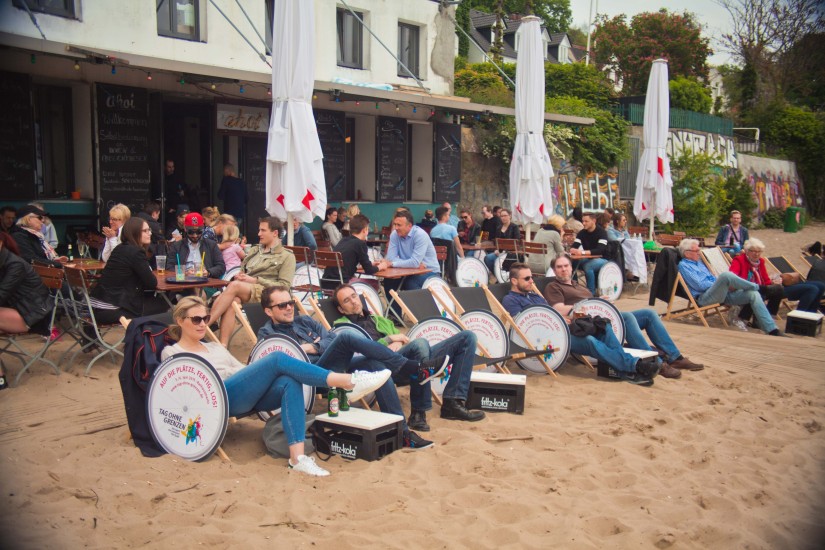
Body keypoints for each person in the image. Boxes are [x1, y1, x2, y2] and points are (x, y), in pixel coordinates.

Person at [161, 296, 392, 476]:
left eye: (205, 318)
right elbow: (179, 394)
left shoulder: (214, 347)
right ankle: (347, 382)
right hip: (217, 399)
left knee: (288, 381)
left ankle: (297, 458)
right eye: (196, 320)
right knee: (277, 359)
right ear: (180, 321)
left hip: (242, 391)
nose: (203, 324)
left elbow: (242, 370)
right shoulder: (173, 353)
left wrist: (260, 376)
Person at [256, 285, 451, 449]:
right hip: (313, 375)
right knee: (347, 337)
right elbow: (282, 362)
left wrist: (312, 347)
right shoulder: (268, 336)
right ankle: (412, 368)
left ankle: (402, 432)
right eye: (282, 305)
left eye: (290, 303)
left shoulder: (304, 320)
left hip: (335, 364)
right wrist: (308, 348)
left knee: (377, 367)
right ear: (268, 311)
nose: (289, 308)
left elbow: (330, 339)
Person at [333, 284, 485, 426]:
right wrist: (389, 340)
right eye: (346, 300)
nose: (353, 301)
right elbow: (361, 354)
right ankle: (419, 412)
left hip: (406, 361)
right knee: (420, 344)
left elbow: (403, 339)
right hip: (381, 368)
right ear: (341, 309)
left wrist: (398, 341)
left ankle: (453, 402)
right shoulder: (344, 328)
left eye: (354, 296)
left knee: (467, 337)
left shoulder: (377, 319)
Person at [543, 255, 703, 379]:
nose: (563, 269)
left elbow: (594, 303)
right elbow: (558, 308)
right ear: (554, 271)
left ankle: (675, 357)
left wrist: (601, 301)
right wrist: (584, 305)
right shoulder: (554, 287)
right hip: (588, 323)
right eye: (559, 267)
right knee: (627, 317)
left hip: (602, 317)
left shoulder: (579, 286)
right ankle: (656, 363)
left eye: (566, 266)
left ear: (571, 267)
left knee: (649, 314)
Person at [502, 262, 660, 385]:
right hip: (549, 338)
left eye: (532, 277)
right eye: (527, 278)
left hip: (563, 327)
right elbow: (521, 326)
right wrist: (558, 322)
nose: (532, 281)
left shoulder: (534, 295)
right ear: (514, 281)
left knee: (603, 326)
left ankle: (624, 369)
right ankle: (634, 366)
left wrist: (565, 318)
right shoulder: (510, 300)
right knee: (590, 341)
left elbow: (550, 313)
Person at [209, 217, 296, 347]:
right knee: (233, 301)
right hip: (248, 290)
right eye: (259, 230)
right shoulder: (255, 250)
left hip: (269, 293)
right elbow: (244, 268)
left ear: (275, 233)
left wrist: (255, 280)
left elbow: (285, 286)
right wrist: (241, 275)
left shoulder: (287, 255)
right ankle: (223, 345)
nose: (259, 234)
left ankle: (206, 323)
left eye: (263, 230)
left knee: (234, 286)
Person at [678, 238, 786, 336]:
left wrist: (719, 284)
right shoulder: (684, 266)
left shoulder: (700, 263)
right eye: (696, 250)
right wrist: (719, 283)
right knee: (726, 276)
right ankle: (760, 287)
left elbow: (712, 279)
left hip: (721, 294)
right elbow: (699, 285)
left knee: (753, 294)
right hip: (705, 297)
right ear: (687, 253)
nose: (699, 252)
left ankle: (772, 329)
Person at [89, 217, 168, 324]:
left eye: (149, 230)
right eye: (145, 231)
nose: (150, 233)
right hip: (113, 309)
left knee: (154, 303)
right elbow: (151, 283)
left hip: (95, 307)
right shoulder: (136, 252)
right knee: (164, 306)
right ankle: (141, 334)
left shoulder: (120, 248)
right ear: (134, 233)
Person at [0, 235, 54, 389]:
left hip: (34, 315)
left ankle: (0, 378)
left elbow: (2, 295)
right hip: (18, 310)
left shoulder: (14, 264)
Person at [729, 238, 825, 323]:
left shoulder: (760, 262)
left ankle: (810, 318)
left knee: (820, 286)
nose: (756, 254)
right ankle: (797, 320)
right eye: (753, 251)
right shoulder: (739, 261)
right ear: (746, 251)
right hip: (751, 289)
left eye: (759, 251)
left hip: (767, 288)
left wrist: (773, 281)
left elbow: (766, 280)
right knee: (811, 289)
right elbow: (732, 279)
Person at [383, 210, 440, 319]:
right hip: (408, 272)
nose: (396, 228)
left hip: (430, 272)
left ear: (409, 226)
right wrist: (409, 264)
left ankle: (423, 317)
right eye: (395, 224)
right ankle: (395, 317)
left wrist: (396, 263)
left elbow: (413, 262)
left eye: (399, 225)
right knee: (389, 280)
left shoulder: (420, 235)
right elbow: (391, 258)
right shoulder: (395, 234)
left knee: (411, 282)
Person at [323, 214, 388, 289]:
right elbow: (369, 270)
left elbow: (345, 265)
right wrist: (381, 266)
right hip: (342, 285)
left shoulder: (344, 240)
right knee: (374, 283)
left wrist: (367, 265)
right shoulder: (360, 244)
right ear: (364, 230)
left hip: (325, 283)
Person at [165, 212, 225, 278]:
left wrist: (208, 272)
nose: (195, 235)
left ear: (203, 229)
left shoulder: (211, 245)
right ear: (185, 229)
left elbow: (221, 266)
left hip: (206, 281)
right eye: (191, 232)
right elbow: (169, 267)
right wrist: (184, 273)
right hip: (184, 282)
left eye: (199, 232)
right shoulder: (176, 246)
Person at [569, 211, 609, 295]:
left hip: (603, 259)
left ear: (594, 221)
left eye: (586, 221)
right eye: (583, 221)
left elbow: (600, 250)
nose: (583, 223)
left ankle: (591, 293)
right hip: (588, 258)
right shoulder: (582, 233)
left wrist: (582, 252)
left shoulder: (602, 232)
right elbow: (575, 245)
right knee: (571, 263)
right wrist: (572, 249)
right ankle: (575, 288)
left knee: (588, 266)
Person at [483, 208, 521, 272]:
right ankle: (497, 274)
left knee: (504, 260)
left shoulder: (514, 227)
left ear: (510, 216)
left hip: (511, 253)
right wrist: (496, 250)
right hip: (500, 252)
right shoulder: (499, 228)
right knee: (487, 258)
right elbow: (496, 241)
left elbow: (517, 241)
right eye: (501, 216)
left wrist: (506, 250)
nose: (503, 218)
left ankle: (501, 274)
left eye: (505, 216)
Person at [217, 163, 246, 230]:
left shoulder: (226, 180)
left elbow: (220, 196)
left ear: (226, 171)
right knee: (235, 232)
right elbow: (246, 198)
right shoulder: (242, 182)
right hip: (240, 213)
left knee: (229, 233)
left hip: (229, 214)